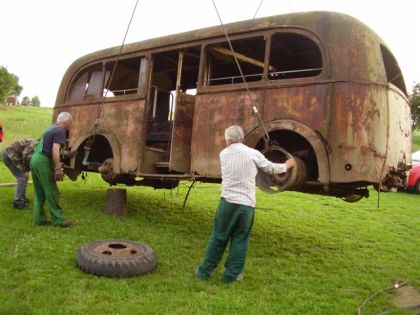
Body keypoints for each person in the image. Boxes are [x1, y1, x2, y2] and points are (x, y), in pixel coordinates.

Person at [195, 125, 295, 283]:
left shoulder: (224, 153)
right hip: (247, 205)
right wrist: (288, 165)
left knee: (218, 237)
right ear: (242, 138)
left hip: (227, 202)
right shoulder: (253, 153)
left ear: (228, 140)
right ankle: (232, 275)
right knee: (240, 239)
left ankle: (204, 272)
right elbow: (270, 168)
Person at [30, 112, 76, 227]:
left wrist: (66, 154)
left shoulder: (50, 128)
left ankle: (39, 219)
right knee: (52, 191)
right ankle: (58, 220)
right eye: (70, 123)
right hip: (43, 162)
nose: (70, 126)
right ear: (66, 122)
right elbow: (55, 150)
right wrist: (58, 169)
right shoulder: (60, 130)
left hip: (35, 159)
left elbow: (47, 146)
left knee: (39, 192)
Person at [1, 138, 39, 209]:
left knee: (24, 177)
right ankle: (18, 202)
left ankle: (21, 197)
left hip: (9, 155)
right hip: (9, 156)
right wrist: (24, 169)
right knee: (22, 178)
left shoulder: (37, 143)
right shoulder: (36, 144)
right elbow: (25, 154)